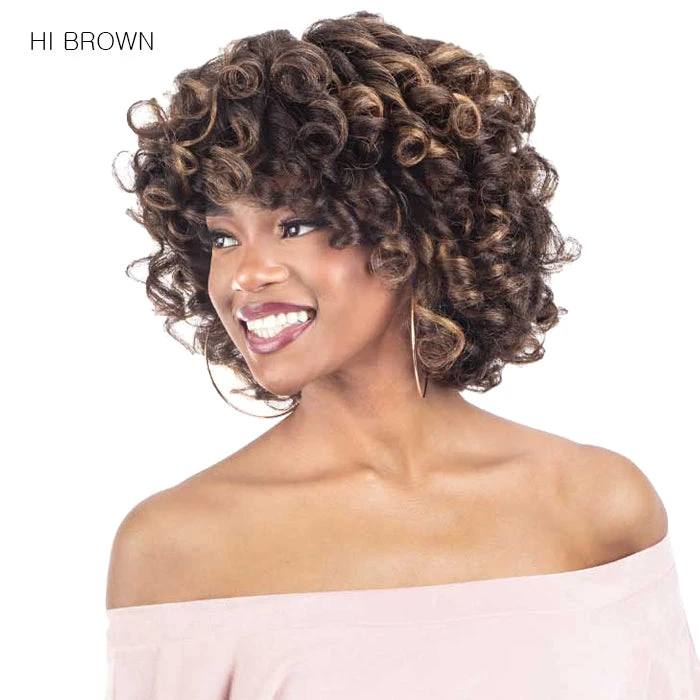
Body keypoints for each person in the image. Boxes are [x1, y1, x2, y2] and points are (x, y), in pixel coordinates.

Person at [104, 11, 700, 699]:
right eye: (223, 238)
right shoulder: (178, 549)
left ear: (413, 228)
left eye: (294, 225)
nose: (244, 276)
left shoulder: (600, 506)